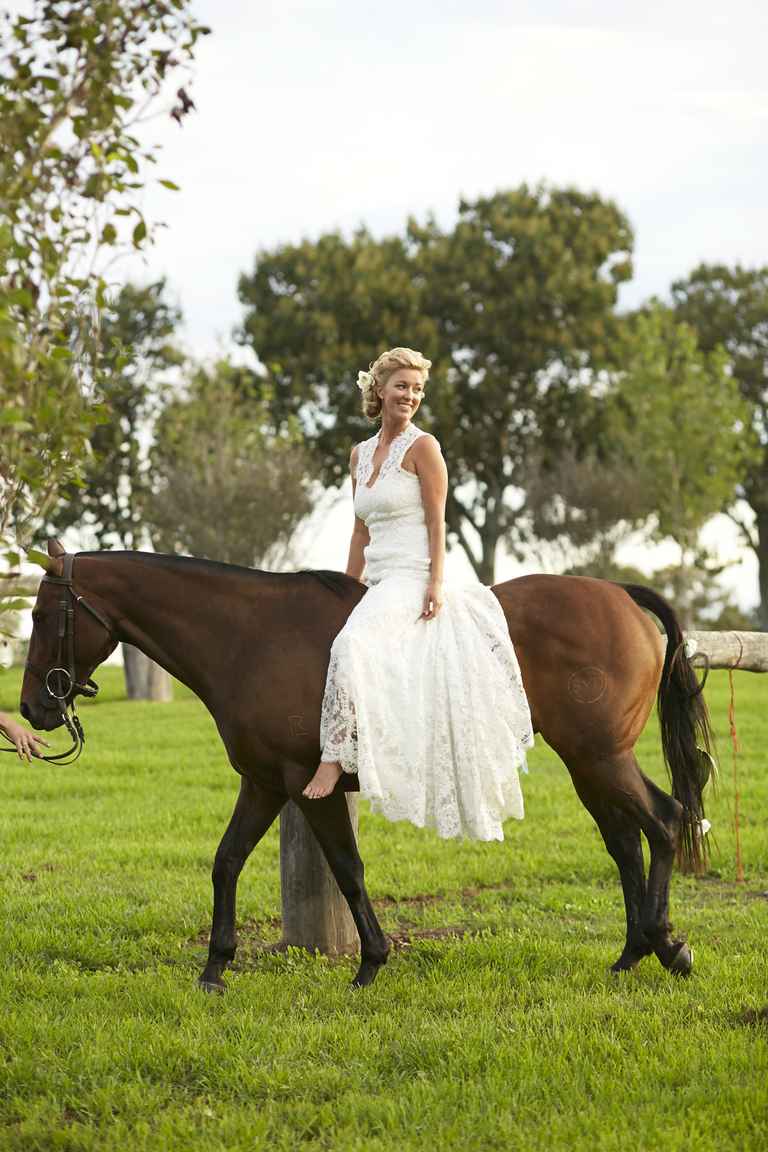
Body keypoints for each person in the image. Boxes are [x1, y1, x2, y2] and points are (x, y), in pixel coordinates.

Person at [302, 347, 535, 841]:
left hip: (411, 576)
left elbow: (437, 522)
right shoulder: (359, 454)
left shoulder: (424, 447)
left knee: (351, 646)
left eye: (417, 389)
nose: (410, 395)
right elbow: (360, 531)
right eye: (402, 386)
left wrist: (434, 582)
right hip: (375, 578)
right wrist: (346, 586)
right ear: (380, 390)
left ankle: (334, 758)